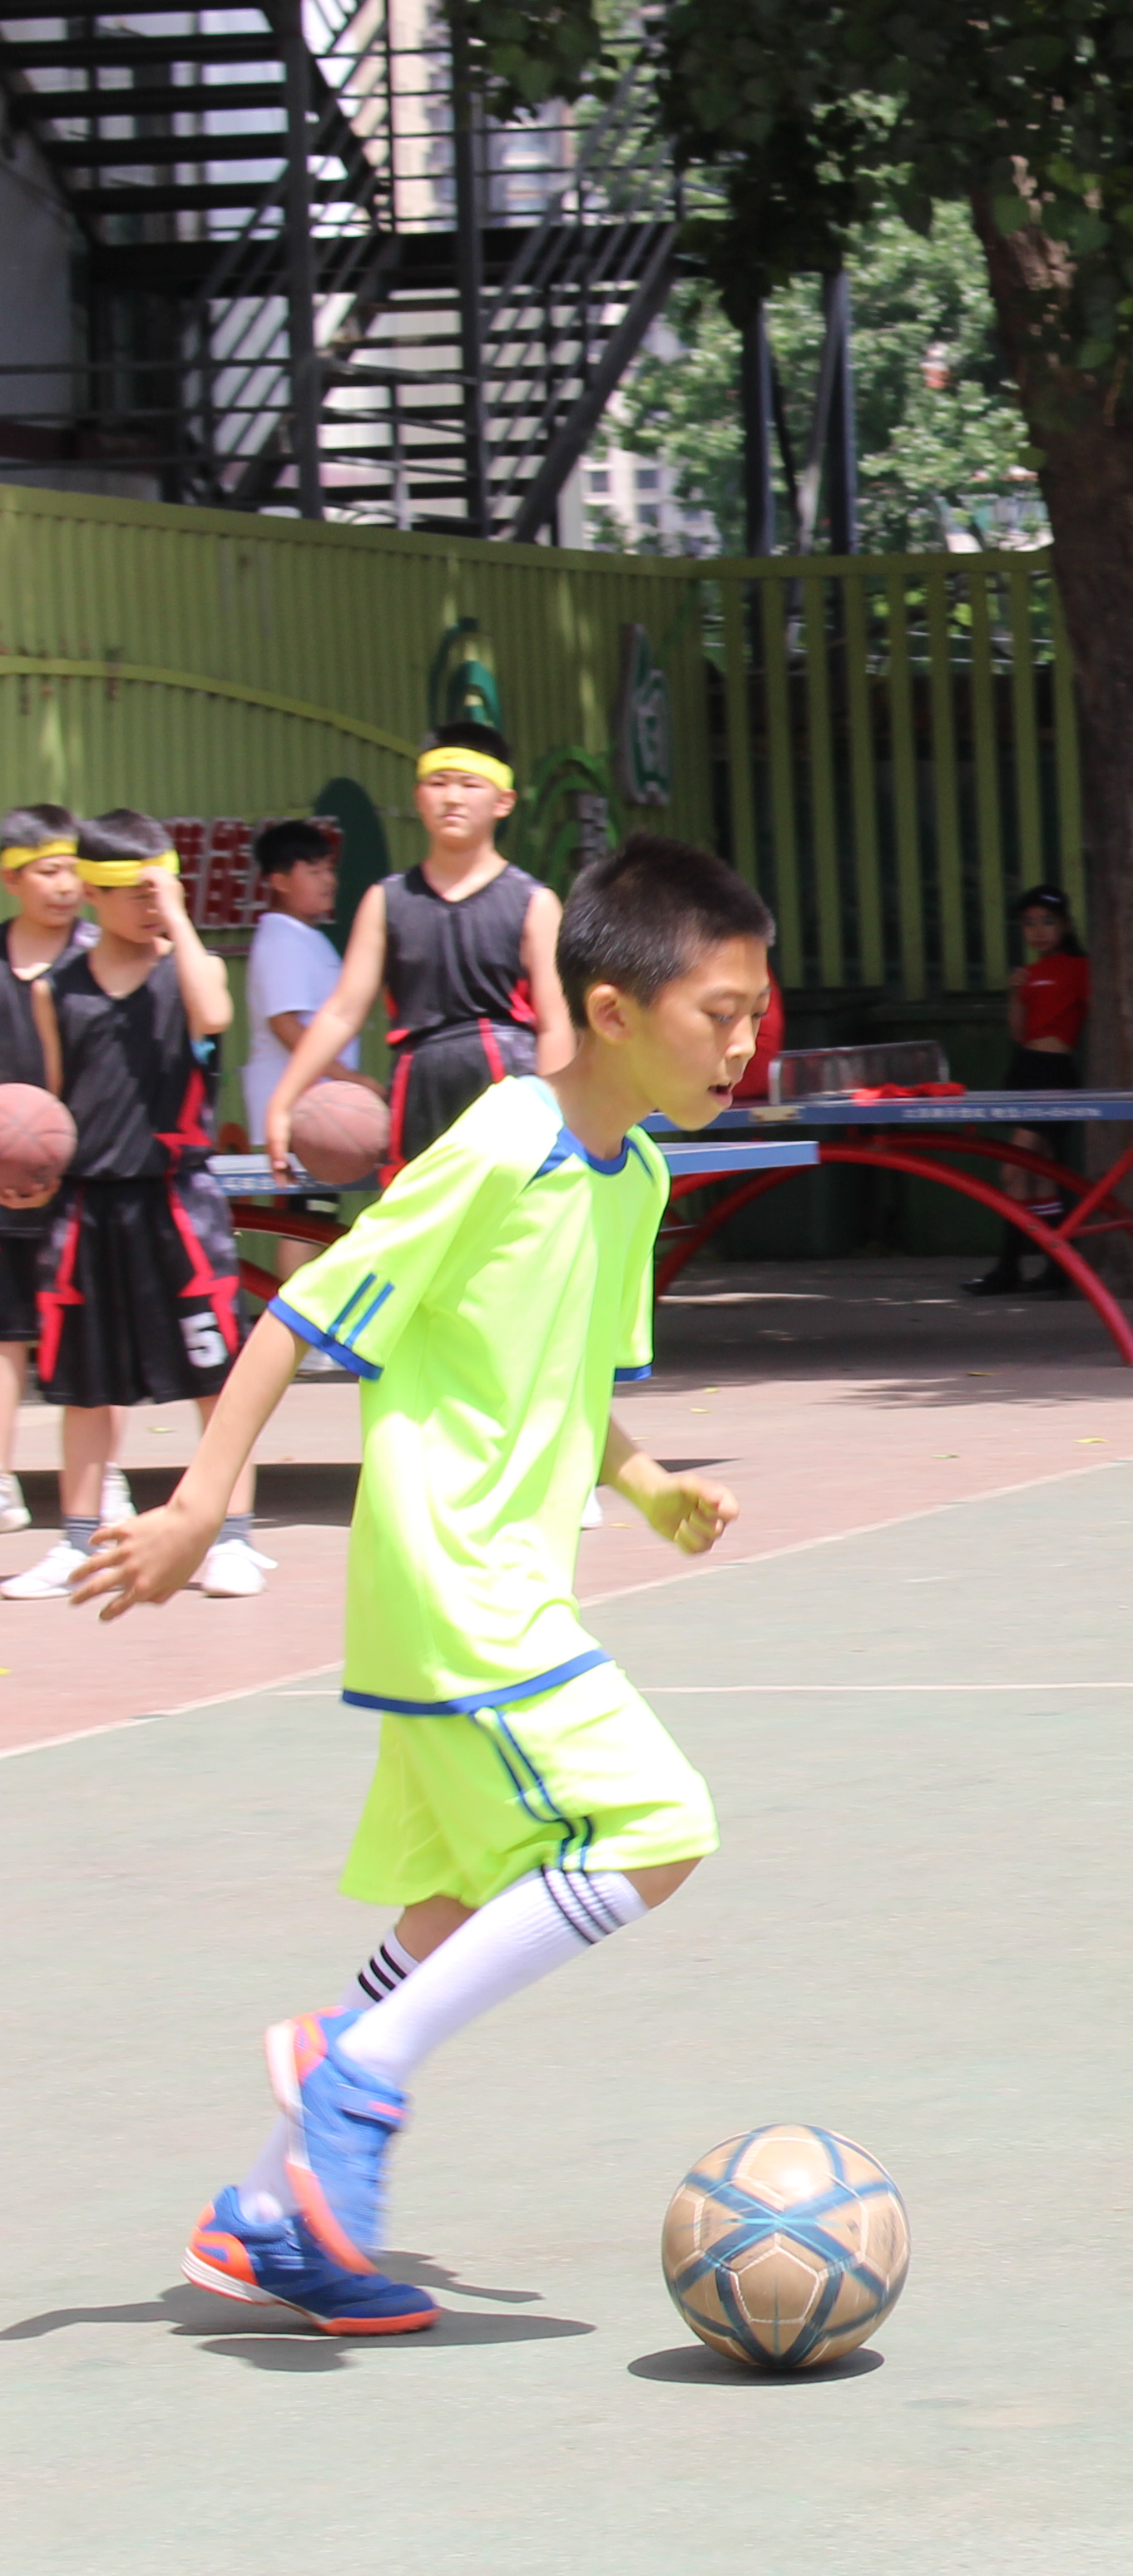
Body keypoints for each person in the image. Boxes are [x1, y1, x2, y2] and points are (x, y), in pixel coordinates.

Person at [77, 835, 771, 2336]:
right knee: (659, 1826)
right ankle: (357, 2075)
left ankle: (269, 2216)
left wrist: (640, 1482)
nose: (743, 1036)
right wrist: (202, 1502)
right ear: (608, 1010)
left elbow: (568, 1371)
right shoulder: (506, 1140)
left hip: (507, 1580)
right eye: (716, 1009)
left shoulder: (631, 1169)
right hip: (460, 1583)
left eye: (751, 1007)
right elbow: (302, 1316)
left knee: (453, 1907)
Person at [0, 810, 260, 1599]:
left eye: (162, 886)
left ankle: (232, 1538)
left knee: (215, 1379)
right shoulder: (59, 991)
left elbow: (215, 1014)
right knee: (84, 1384)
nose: (150, 902)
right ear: (94, 891)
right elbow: (51, 1102)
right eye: (135, 890)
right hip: (88, 1208)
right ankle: (78, 1542)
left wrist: (177, 914)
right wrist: (31, 1165)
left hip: (176, 1202)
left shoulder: (190, 970)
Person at [265, 726, 571, 1177]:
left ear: (503, 801)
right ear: (418, 797)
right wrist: (283, 1101)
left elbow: (556, 1024)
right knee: (425, 1244)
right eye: (438, 782)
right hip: (418, 1097)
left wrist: (556, 1117)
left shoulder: (535, 903)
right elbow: (343, 1011)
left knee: (515, 1242)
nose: (452, 797)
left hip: (511, 1094)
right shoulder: (386, 901)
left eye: (469, 784)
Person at [0, 803, 92, 1534]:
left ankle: (102, 1476)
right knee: (6, 1336)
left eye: (73, 870)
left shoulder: (101, 957)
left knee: (78, 1333)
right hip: (6, 1177)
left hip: (86, 1178)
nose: (65, 885)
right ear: (13, 878)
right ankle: (1, 1482)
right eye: (48, 871)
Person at [966, 884, 1090, 1298]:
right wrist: (1015, 994)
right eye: (1030, 924)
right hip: (1025, 1068)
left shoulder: (1080, 968)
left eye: (1048, 921)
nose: (1038, 931)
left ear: (1066, 925)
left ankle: (1011, 1266)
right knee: (1038, 1175)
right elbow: (1019, 1033)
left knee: (1014, 1169)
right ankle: (1055, 1265)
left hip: (1054, 1072)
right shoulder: (1029, 974)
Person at [238, 816, 360, 1145]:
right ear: (280, 882)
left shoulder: (306, 936)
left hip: (323, 1113)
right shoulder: (283, 939)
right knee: (308, 1199)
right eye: (314, 872)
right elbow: (285, 1025)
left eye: (329, 869)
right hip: (297, 1119)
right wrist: (349, 1079)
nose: (329, 881)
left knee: (322, 1200)